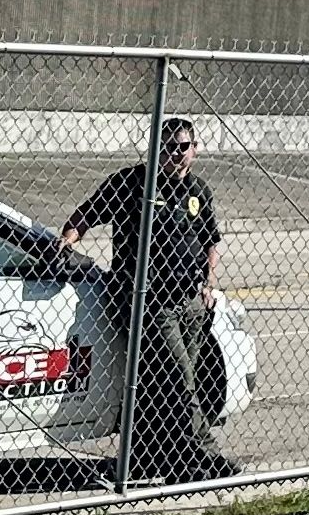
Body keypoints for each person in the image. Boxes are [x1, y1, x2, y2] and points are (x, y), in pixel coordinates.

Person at [63, 116, 235, 482]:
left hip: (190, 301)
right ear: (155, 150)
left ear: (195, 150)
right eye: (168, 147)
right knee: (180, 379)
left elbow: (210, 242)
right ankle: (209, 456)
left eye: (183, 147)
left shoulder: (198, 192)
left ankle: (156, 460)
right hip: (148, 303)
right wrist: (68, 238)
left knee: (159, 387)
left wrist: (208, 284)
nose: (176, 154)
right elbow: (86, 213)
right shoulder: (131, 183)